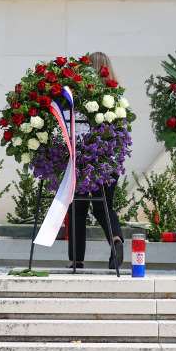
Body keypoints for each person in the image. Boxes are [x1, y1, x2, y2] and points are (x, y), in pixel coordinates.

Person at [67, 51, 125, 270]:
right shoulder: (116, 97)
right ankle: (116, 239)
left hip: (82, 160)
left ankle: (76, 259)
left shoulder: (81, 96)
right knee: (104, 206)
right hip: (109, 161)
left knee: (77, 207)